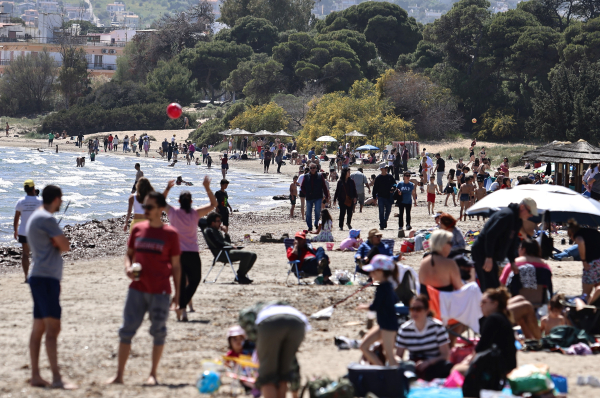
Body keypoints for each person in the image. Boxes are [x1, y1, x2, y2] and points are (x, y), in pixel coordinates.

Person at [108, 192, 181, 386]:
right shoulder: (138, 229)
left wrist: (178, 294)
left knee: (158, 331)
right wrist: (127, 268)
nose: (145, 210)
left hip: (161, 291)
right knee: (126, 330)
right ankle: (119, 376)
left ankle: (153, 374)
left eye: (149, 207)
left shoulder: (170, 234)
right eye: (144, 206)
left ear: (160, 209)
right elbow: (129, 255)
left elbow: (176, 266)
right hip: (137, 288)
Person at [26, 185, 77, 389]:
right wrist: (59, 242)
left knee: (39, 327)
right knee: (53, 327)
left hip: (41, 276)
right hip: (45, 278)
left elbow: (59, 244)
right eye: (61, 199)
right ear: (56, 199)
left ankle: (36, 375)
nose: (62, 202)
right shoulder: (46, 219)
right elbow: (65, 246)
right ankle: (56, 378)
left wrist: (57, 242)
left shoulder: (36, 217)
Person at [163, 176, 217, 322]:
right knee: (195, 280)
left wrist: (168, 188)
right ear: (191, 202)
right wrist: (207, 188)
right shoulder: (195, 213)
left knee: (180, 283)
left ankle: (182, 308)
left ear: (179, 202)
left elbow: (159, 202)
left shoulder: (174, 212)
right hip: (192, 253)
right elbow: (214, 204)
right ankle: (183, 309)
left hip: (176, 254)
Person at [456, 287, 517, 397]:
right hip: (507, 365)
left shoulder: (493, 319)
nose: (481, 305)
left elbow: (482, 347)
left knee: (457, 370)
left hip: (497, 368)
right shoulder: (503, 318)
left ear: (495, 304)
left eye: (484, 302)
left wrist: (468, 361)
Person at [471, 198, 538, 292]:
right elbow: (490, 235)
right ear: (522, 207)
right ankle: (485, 304)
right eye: (530, 212)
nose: (531, 215)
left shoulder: (517, 220)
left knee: (494, 285)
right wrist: (488, 257)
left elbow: (512, 243)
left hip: (491, 254)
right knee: (488, 286)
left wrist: (512, 262)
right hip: (482, 252)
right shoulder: (507, 215)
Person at [396, 295, 453, 381]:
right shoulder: (404, 329)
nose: (414, 312)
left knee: (447, 366)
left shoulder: (437, 327)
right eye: (412, 308)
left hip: (433, 365)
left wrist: (428, 362)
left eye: (418, 309)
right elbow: (398, 356)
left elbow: (445, 355)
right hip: (414, 368)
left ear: (427, 311)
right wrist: (407, 364)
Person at [357, 255, 399, 366]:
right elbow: (394, 300)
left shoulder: (383, 287)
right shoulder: (389, 285)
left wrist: (363, 307)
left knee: (390, 355)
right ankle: (381, 371)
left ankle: (399, 380)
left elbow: (375, 306)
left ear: (380, 271)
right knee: (364, 346)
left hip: (388, 326)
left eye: (372, 271)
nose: (370, 274)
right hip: (383, 325)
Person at [204, 211, 256, 284]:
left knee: (253, 255)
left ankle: (241, 275)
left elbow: (227, 242)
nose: (220, 223)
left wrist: (226, 233)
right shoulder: (209, 231)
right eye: (218, 221)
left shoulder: (217, 231)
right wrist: (231, 246)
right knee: (247, 255)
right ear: (212, 222)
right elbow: (217, 243)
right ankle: (240, 276)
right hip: (221, 254)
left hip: (226, 251)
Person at [14, 179, 43, 282]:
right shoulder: (40, 201)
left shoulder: (21, 201)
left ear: (25, 189)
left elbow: (16, 217)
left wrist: (15, 230)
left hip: (24, 231)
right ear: (34, 188)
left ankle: (26, 277)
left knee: (25, 254)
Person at [567, 219, 600, 296]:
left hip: (592, 263)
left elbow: (580, 241)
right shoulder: (591, 232)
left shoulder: (578, 234)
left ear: (571, 233)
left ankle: (585, 307)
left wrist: (584, 260)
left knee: (585, 293)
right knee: (598, 290)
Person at [301, 163, 330, 231]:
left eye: (314, 168)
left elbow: (324, 187)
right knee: (308, 213)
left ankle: (316, 223)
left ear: (316, 168)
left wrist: (326, 196)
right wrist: (306, 193)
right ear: (309, 169)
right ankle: (310, 226)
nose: (312, 169)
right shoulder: (306, 176)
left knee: (317, 211)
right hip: (309, 197)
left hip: (318, 197)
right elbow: (302, 187)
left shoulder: (320, 176)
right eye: (311, 168)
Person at [373, 164, 396, 230]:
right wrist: (374, 197)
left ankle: (385, 221)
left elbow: (394, 184)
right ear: (381, 169)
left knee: (388, 211)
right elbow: (375, 188)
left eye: (386, 168)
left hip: (389, 197)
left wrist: (393, 188)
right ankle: (381, 224)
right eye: (384, 168)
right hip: (381, 197)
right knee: (381, 211)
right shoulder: (378, 178)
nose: (386, 169)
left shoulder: (390, 176)